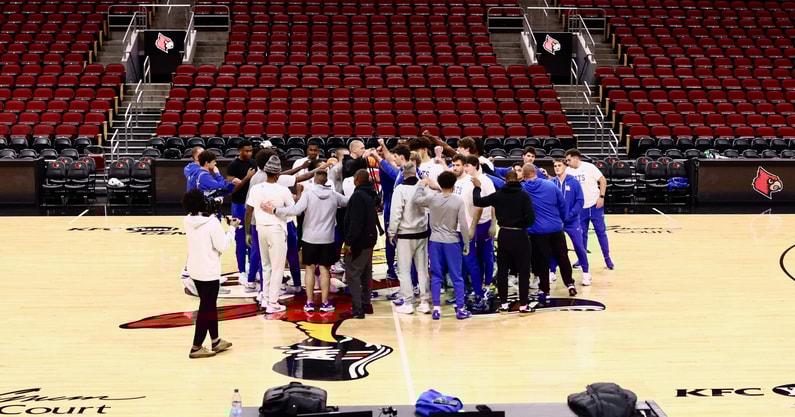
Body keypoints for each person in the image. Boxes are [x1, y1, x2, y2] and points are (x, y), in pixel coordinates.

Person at [265, 170, 349, 312]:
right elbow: (349, 202)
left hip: (309, 238)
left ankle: (309, 302)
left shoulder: (308, 195)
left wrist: (275, 210)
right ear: (326, 181)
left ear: (315, 181)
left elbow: (294, 210)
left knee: (309, 270)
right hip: (327, 238)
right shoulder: (334, 196)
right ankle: (324, 302)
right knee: (325, 271)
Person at [182, 189, 236, 358]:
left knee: (210, 305)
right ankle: (196, 346)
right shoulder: (212, 223)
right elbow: (222, 246)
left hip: (195, 268)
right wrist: (232, 229)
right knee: (206, 308)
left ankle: (216, 341)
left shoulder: (187, 220)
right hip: (209, 270)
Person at [471, 171, 535, 312]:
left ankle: (504, 304)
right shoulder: (524, 195)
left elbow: (477, 201)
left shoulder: (498, 195)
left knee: (503, 271)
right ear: (517, 180)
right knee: (523, 271)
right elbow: (531, 217)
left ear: (505, 180)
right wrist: (521, 225)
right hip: (520, 235)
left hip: (504, 234)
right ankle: (523, 305)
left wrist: (477, 187)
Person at [413, 171, 472, 320]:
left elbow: (416, 200)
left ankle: (437, 309)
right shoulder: (458, 201)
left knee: (437, 276)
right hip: (452, 242)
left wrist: (421, 184)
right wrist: (466, 243)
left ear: (440, 184)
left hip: (435, 242)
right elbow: (463, 225)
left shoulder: (433, 198)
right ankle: (460, 309)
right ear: (453, 185)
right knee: (457, 277)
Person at [245, 155, 295, 313]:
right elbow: (292, 210)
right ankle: (273, 302)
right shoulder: (283, 190)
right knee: (277, 267)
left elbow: (248, 210)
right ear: (279, 174)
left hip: (260, 229)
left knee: (265, 266)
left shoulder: (256, 189)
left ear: (265, 171)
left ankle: (266, 298)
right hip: (276, 230)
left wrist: (247, 231)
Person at [521, 164, 578, 302]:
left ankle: (545, 290)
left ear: (523, 176)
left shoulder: (523, 189)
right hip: (556, 228)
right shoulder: (551, 185)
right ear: (535, 172)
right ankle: (570, 284)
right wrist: (562, 219)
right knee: (563, 256)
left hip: (537, 231)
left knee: (542, 261)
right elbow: (563, 204)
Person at [387, 162, 431, 314]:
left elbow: (396, 213)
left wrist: (391, 232)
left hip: (405, 234)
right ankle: (425, 302)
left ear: (403, 174)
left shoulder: (400, 189)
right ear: (416, 173)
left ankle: (408, 302)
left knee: (404, 270)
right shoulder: (423, 187)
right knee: (422, 269)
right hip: (422, 232)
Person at [564, 148, 614, 274]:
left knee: (601, 232)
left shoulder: (589, 167)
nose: (568, 162)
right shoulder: (568, 171)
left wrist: (601, 197)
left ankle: (607, 258)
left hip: (595, 205)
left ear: (576, 158)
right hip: (581, 208)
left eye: (569, 160)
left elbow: (603, 180)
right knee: (581, 234)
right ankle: (582, 259)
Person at [450, 155, 490, 308]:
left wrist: (473, 226)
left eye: (458, 165)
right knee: (457, 265)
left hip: (466, 230)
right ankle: (461, 295)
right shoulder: (452, 181)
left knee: (471, 262)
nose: (455, 168)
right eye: (453, 165)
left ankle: (479, 295)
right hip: (453, 230)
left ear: (464, 165)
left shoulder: (471, 182)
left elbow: (480, 206)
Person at [343, 169, 380, 319]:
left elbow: (355, 222)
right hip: (370, 238)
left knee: (353, 274)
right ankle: (366, 304)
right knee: (366, 273)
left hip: (360, 240)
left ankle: (358, 309)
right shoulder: (371, 193)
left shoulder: (358, 196)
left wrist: (349, 241)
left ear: (357, 179)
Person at [549, 158, 591, 285]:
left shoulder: (574, 182)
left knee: (579, 246)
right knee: (554, 248)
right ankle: (552, 272)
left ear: (565, 167)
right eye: (555, 166)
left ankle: (586, 273)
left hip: (572, 222)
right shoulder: (551, 183)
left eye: (559, 165)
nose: (557, 168)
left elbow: (580, 201)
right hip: (557, 222)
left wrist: (570, 214)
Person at [463, 155, 497, 298]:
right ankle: (478, 285)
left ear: (475, 165)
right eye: (464, 166)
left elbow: (494, 201)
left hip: (485, 223)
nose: (465, 169)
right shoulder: (465, 181)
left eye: (467, 166)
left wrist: (493, 224)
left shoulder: (486, 181)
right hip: (471, 223)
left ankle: (488, 285)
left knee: (487, 255)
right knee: (475, 257)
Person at [225, 140, 257, 287]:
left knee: (252, 236)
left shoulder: (254, 163)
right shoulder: (233, 165)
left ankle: (252, 267)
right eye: (246, 151)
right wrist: (247, 178)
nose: (249, 153)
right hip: (238, 205)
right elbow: (232, 190)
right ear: (239, 150)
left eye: (251, 150)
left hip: (252, 205)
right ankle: (242, 271)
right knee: (240, 238)